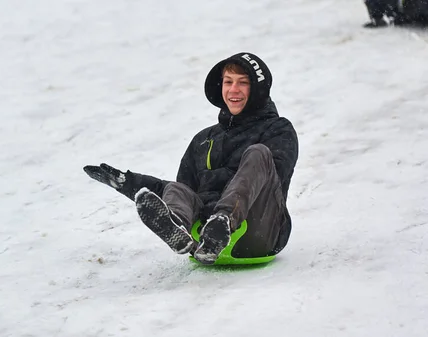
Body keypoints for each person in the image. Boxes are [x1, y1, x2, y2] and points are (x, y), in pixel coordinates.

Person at [84, 52, 299, 265]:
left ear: (258, 89)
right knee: (177, 189)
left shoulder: (278, 130)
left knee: (258, 153)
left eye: (243, 83)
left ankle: (222, 224)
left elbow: (271, 183)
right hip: (202, 242)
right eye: (228, 82)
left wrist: (223, 211)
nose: (234, 90)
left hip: (256, 235)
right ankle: (177, 227)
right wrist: (127, 183)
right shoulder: (203, 140)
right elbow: (185, 193)